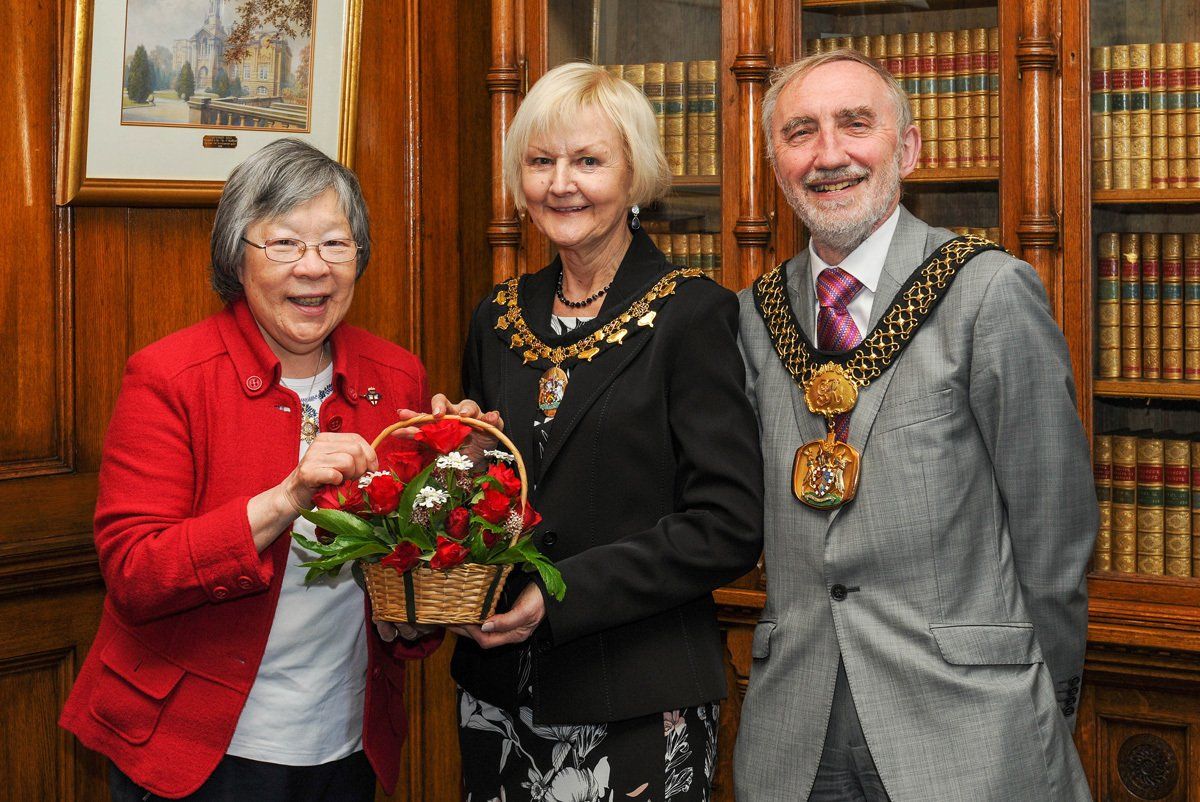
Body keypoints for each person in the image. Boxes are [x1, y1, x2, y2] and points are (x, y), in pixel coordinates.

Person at [59, 138, 485, 801]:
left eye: (336, 245)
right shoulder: (169, 376)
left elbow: (402, 565)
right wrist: (285, 500)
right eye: (284, 244)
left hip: (344, 743)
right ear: (237, 256)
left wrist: (462, 473)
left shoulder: (393, 375)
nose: (312, 268)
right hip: (199, 750)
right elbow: (135, 572)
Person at [733, 50, 1097, 801]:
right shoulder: (750, 317)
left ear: (909, 148)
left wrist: (1042, 694)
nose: (828, 154)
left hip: (970, 725)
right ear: (775, 164)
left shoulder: (987, 291)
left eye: (854, 124)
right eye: (801, 132)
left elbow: (1052, 520)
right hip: (793, 730)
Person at [452, 62, 764, 801]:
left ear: (635, 176)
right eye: (540, 161)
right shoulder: (496, 317)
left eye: (589, 161)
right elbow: (489, 498)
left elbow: (728, 524)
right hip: (496, 700)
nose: (562, 183)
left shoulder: (693, 314)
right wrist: (455, 461)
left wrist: (560, 597)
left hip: (637, 705)